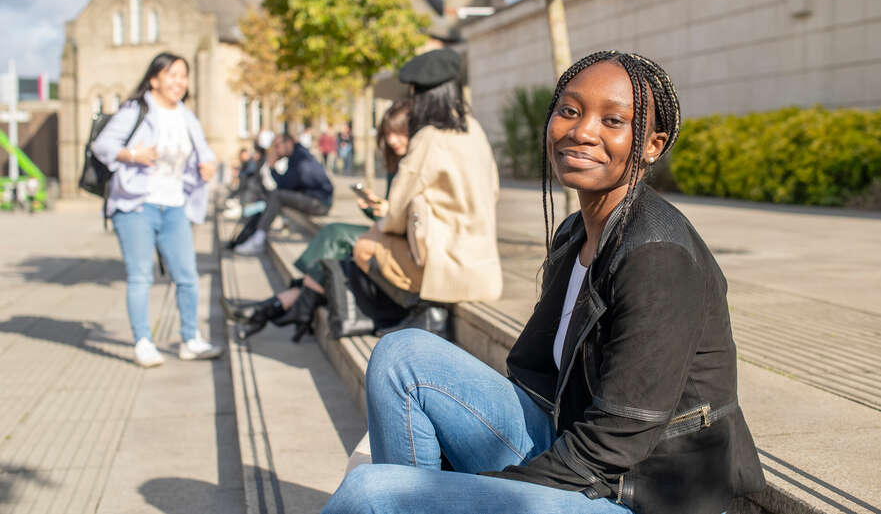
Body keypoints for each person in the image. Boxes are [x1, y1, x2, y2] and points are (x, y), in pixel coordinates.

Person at [321, 51, 765, 514]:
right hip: (580, 457)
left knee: (371, 493)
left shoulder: (657, 256)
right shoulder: (576, 232)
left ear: (651, 145)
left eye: (612, 120)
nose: (582, 131)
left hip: (642, 494)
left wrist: (479, 489)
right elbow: (533, 375)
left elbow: (611, 445)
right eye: (569, 110)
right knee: (401, 356)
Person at [222, 100, 412, 342]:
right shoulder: (396, 162)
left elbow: (406, 217)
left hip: (386, 234)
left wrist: (384, 210)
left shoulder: (301, 158)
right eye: (388, 134)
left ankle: (273, 310)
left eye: (398, 133)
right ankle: (272, 309)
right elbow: (390, 212)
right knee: (330, 258)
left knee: (334, 237)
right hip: (388, 231)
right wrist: (373, 207)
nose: (393, 140)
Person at [91, 52, 223, 368]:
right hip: (137, 204)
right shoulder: (136, 110)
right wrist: (133, 154)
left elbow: (205, 153)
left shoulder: (187, 117)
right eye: (172, 75)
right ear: (154, 79)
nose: (179, 82)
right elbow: (102, 146)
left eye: (183, 76)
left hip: (176, 205)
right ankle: (143, 342)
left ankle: (190, 339)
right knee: (140, 276)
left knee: (188, 276)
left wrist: (208, 166)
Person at [350, 47, 503, 309]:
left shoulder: (429, 139)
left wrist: (381, 224)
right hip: (486, 270)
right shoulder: (473, 128)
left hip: (448, 271)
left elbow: (395, 212)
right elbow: (494, 190)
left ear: (421, 95)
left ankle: (425, 312)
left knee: (364, 246)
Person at [234, 132, 333, 255]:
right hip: (315, 199)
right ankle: (264, 234)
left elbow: (285, 184)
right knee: (275, 196)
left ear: (289, 143)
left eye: (277, 146)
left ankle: (258, 240)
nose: (275, 150)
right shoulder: (297, 155)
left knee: (276, 195)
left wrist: (271, 166)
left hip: (319, 203)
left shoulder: (300, 158)